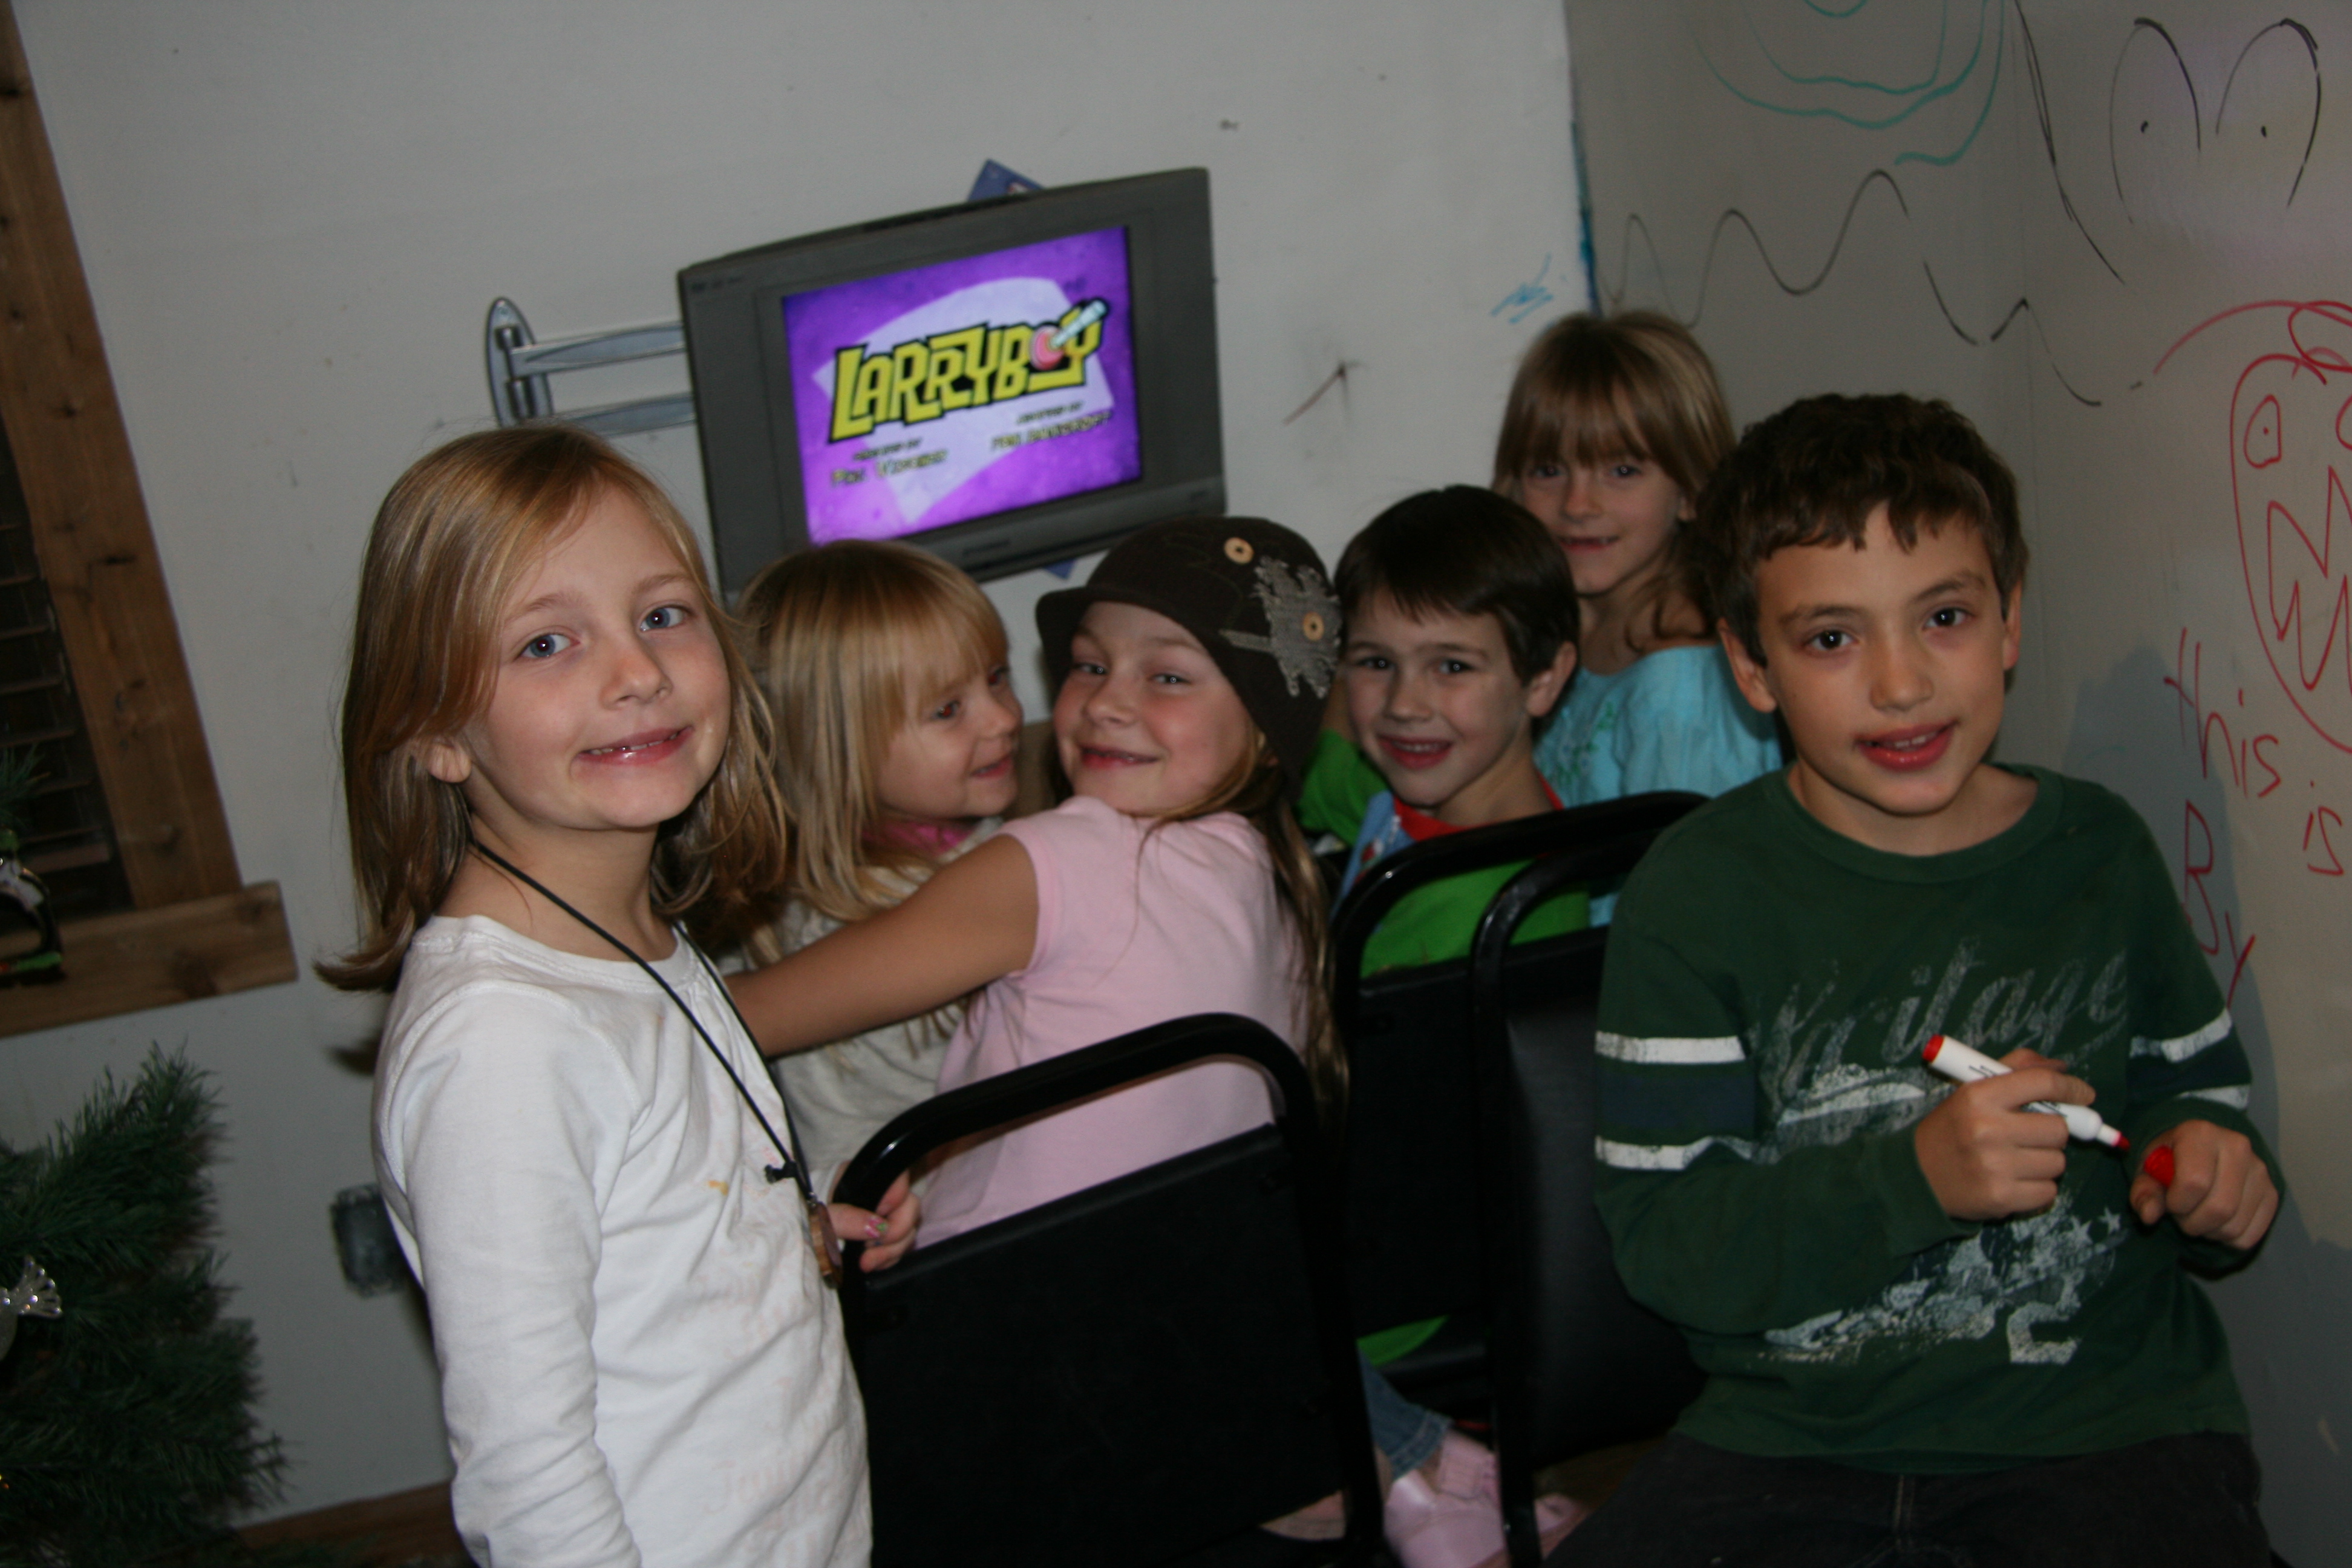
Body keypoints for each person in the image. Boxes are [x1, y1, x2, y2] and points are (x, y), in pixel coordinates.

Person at [1558, 396, 2284, 1564]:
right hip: (1790, 1435)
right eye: (1830, 639)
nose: (1899, 683)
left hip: (2099, 1421)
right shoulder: (1694, 893)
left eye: (1942, 616)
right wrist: (1910, 1179)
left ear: (2007, 620)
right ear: (1749, 664)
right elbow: (1669, 1245)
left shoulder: (2097, 852)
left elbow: (2187, 1097)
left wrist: (2205, 1161)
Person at [325, 426, 909, 1568]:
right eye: (546, 642)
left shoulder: (629, 939)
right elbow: (526, 1478)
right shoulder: (501, 1043)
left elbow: (642, 1245)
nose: (637, 671)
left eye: (663, 613)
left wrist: (786, 1233)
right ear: (434, 732)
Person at [1300, 485, 1592, 1558]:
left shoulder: (1491, 916)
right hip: (1384, 1218)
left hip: (1390, 1273)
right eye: (1374, 661)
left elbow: (1386, 1164)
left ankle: (1418, 1460)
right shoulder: (1409, 803)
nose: (1403, 705)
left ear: (1545, 678)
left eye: (1452, 666)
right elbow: (1323, 767)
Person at [736, 540, 1021, 1188]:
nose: (1004, 718)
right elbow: (846, 1147)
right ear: (834, 745)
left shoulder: (979, 841)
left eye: (997, 676)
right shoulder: (846, 926)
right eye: (948, 710)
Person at [1494, 310, 1779, 808]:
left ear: (1690, 490)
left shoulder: (1679, 692)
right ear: (1515, 484)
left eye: (1622, 471)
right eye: (1548, 470)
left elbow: (1684, 856)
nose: (1578, 505)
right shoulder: (1561, 629)